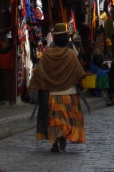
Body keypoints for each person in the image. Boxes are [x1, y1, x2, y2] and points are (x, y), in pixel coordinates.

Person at [28, 24, 86, 153]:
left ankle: (54, 143)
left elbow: (40, 72)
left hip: (51, 94)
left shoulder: (47, 54)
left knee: (53, 119)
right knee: (66, 119)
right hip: (68, 93)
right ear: (66, 39)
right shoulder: (70, 54)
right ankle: (63, 136)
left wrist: (42, 84)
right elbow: (80, 73)